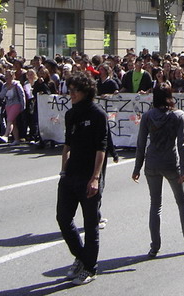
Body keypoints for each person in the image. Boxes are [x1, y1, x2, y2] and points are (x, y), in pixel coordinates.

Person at [132, 84, 184, 257]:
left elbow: (141, 143)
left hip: (152, 162)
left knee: (155, 204)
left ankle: (154, 245)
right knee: (182, 202)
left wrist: (137, 167)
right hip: (171, 162)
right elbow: (182, 143)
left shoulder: (148, 116)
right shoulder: (178, 115)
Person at [57, 73, 107, 286]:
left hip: (89, 175)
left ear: (86, 91)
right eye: (70, 90)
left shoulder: (98, 114)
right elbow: (67, 143)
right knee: (63, 218)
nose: (71, 94)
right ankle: (81, 256)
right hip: (71, 174)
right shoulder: (71, 114)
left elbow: (101, 147)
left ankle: (89, 268)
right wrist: (63, 170)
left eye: (75, 90)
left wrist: (95, 178)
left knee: (90, 224)